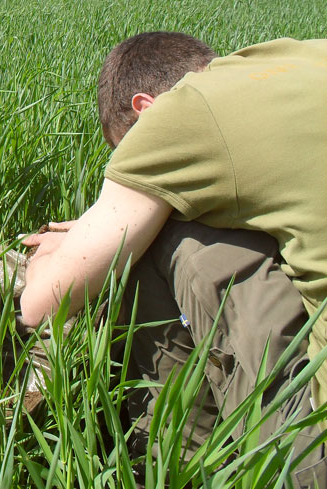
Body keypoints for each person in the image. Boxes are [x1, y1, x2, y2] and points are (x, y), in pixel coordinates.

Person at [20, 32, 327, 484]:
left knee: (161, 235)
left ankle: (178, 462)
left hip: (314, 440)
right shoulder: (300, 56)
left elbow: (42, 304)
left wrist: (50, 253)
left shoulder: (182, 113)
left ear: (146, 109)